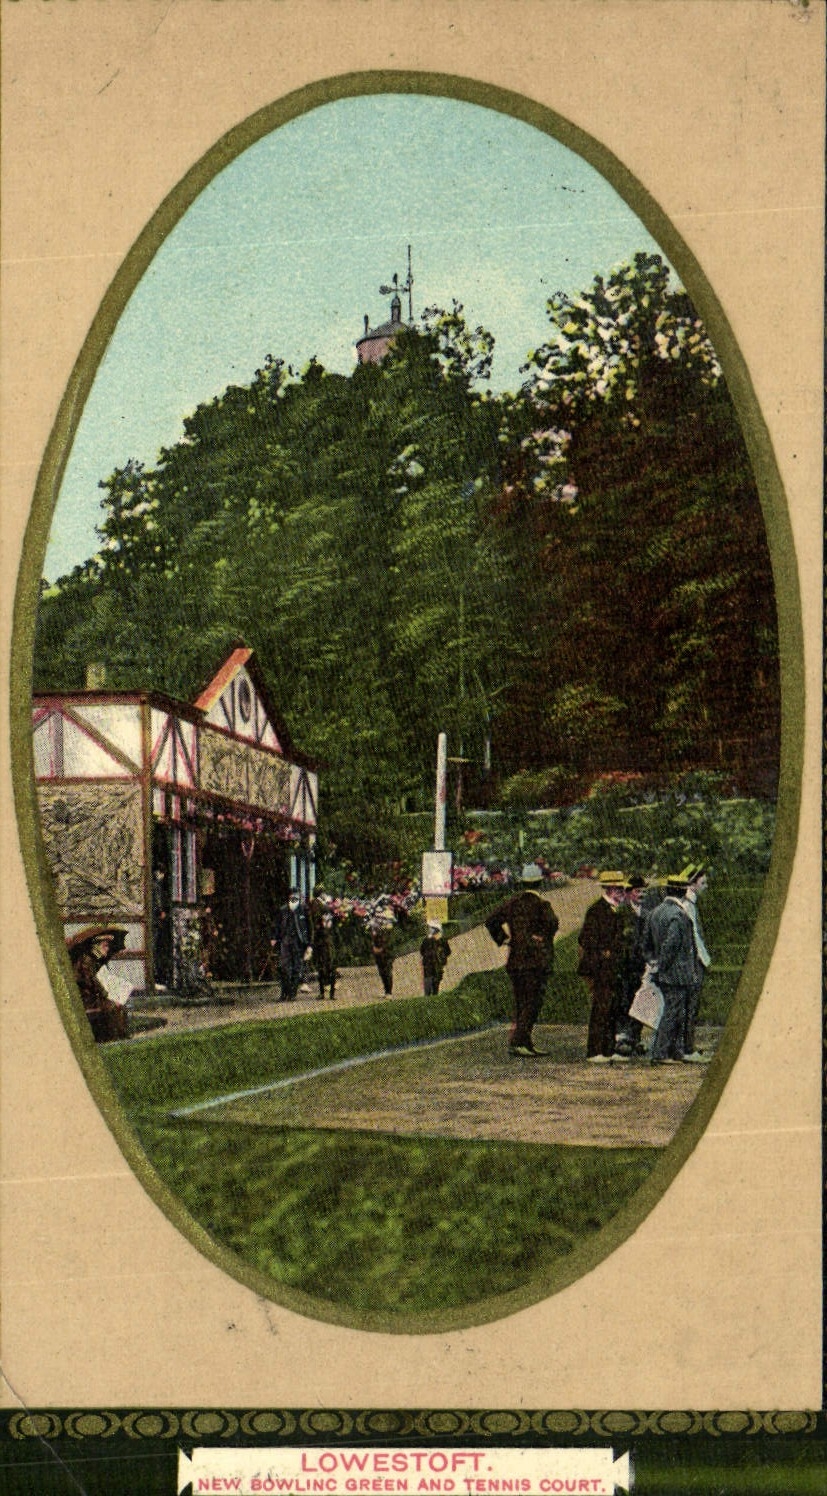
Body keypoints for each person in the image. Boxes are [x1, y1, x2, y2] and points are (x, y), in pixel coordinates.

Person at [484, 862, 558, 1057]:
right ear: (540, 883)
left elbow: (491, 920)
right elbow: (553, 925)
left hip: (516, 960)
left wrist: (505, 938)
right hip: (535, 961)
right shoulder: (542, 905)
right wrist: (539, 937)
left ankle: (524, 1041)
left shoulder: (513, 903)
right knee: (533, 1001)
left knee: (521, 1001)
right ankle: (519, 1041)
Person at [645, 865, 710, 1064]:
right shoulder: (679, 916)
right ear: (682, 892)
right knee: (673, 1013)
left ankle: (673, 1051)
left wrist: (654, 965)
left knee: (672, 1011)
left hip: (664, 970)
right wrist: (662, 967)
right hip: (677, 973)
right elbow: (671, 946)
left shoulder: (654, 913)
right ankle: (661, 1052)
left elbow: (647, 944)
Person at [577, 871, 628, 1063]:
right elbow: (586, 939)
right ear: (610, 888)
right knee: (601, 1008)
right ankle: (595, 1050)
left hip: (612, 968)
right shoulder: (597, 910)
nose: (623, 892)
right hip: (600, 968)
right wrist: (603, 953)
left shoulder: (613, 910)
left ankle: (608, 1048)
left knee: (611, 1008)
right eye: (620, 889)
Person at [67, 926, 130, 1043]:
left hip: (91, 997)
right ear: (96, 946)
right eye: (105, 946)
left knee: (118, 1006)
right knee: (113, 1007)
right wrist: (106, 994)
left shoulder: (93, 961)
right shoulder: (86, 961)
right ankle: (115, 1038)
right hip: (85, 999)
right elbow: (91, 982)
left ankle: (120, 1037)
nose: (107, 949)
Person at [677, 863, 712, 1060]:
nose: (705, 886)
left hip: (693, 962)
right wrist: (703, 960)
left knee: (690, 1007)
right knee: (689, 1007)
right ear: (691, 885)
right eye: (703, 882)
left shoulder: (691, 904)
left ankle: (686, 1046)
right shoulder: (687, 906)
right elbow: (694, 938)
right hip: (692, 964)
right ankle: (686, 1048)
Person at [272, 888, 312, 1002]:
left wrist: (309, 944)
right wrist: (274, 937)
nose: (294, 898)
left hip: (298, 942)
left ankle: (292, 993)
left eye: (296, 896)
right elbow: (277, 925)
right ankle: (284, 992)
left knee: (296, 968)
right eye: (292, 896)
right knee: (284, 967)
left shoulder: (304, 910)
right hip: (285, 942)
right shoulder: (283, 910)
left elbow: (309, 928)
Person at [308, 885, 338, 1001]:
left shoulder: (320, 903)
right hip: (323, 939)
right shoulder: (317, 904)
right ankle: (327, 992)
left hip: (325, 938)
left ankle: (327, 992)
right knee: (325, 965)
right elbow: (317, 919)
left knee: (327, 965)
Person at [420, 920, 451, 996]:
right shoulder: (439, 940)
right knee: (434, 980)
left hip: (432, 964)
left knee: (431, 980)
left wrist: (441, 956)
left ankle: (430, 996)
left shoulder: (427, 940)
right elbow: (448, 951)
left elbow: (422, 951)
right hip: (433, 964)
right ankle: (432, 995)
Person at [370, 912, 395, 997]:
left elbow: (388, 943)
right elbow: (374, 940)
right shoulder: (377, 930)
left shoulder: (388, 930)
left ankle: (389, 992)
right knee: (382, 972)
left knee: (387, 972)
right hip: (379, 954)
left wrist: (380, 949)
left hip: (386, 954)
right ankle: (386, 991)